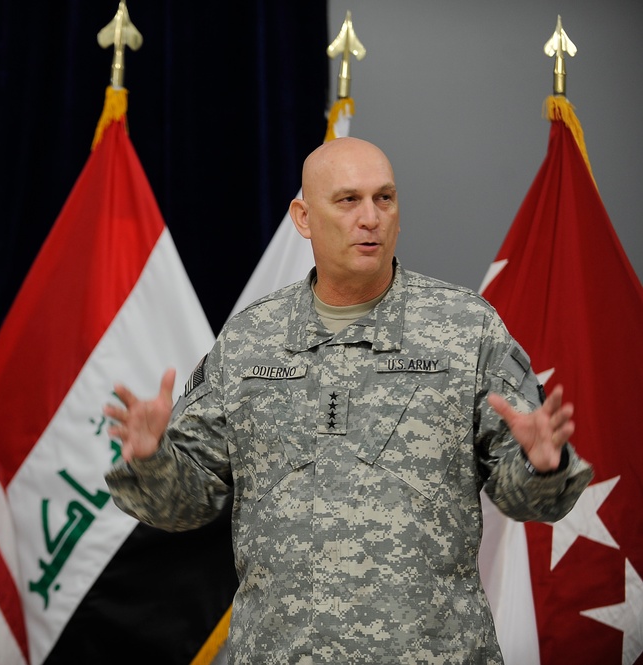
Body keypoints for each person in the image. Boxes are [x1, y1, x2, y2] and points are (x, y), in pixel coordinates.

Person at [103, 137, 593, 664]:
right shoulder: (250, 340)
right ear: (303, 217)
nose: (371, 218)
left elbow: (529, 502)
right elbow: (184, 505)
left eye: (384, 199)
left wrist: (543, 467)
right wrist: (153, 460)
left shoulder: (466, 329)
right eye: (348, 200)